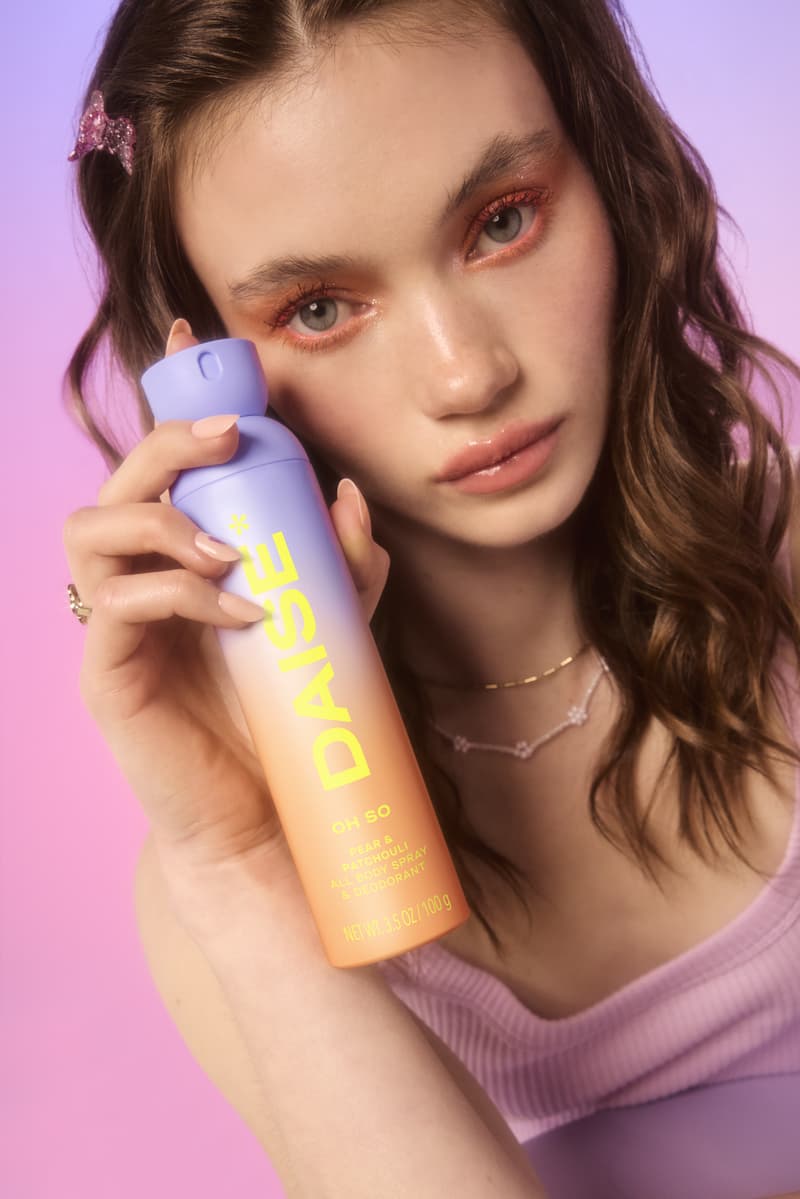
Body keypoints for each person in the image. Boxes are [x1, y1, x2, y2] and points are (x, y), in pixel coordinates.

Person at [61, 1, 800, 1196]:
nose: (468, 373)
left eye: (501, 221)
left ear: (608, 170)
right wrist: (243, 867)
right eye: (316, 306)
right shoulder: (226, 871)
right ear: (202, 366)